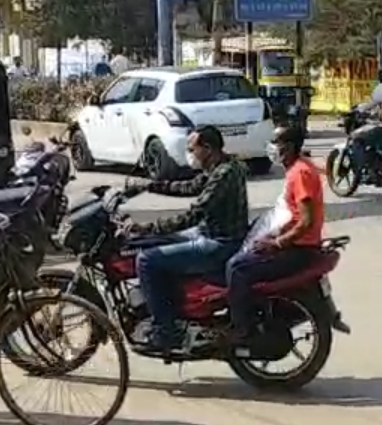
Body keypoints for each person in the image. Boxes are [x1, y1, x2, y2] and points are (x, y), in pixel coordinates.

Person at [127, 125, 251, 353]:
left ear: (208, 148)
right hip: (213, 234)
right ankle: (172, 307)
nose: (190, 154)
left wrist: (146, 227)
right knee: (156, 243)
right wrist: (149, 186)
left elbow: (194, 214)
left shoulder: (224, 174)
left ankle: (165, 331)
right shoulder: (223, 166)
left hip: (218, 243)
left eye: (192, 149)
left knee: (146, 260)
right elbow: (191, 186)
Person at [225, 122, 325, 352]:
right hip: (296, 243)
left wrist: (277, 243)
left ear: (288, 147)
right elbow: (292, 215)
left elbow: (306, 221)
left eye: (276, 142)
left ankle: (242, 329)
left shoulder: (300, 173)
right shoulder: (298, 168)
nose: (272, 147)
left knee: (237, 267)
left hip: (299, 249)